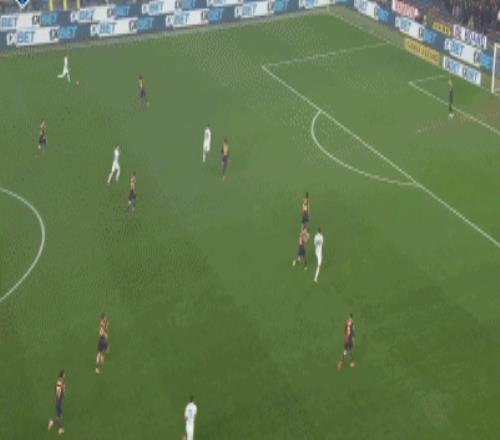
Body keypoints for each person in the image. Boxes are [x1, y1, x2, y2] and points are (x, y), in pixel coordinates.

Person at [47, 370, 65, 435]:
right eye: (64, 374)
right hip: (59, 401)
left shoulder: (61, 381)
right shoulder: (59, 382)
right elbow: (58, 392)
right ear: (62, 375)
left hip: (59, 400)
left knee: (60, 415)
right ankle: (53, 422)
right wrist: (57, 400)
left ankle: (58, 426)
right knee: (58, 416)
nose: (65, 375)